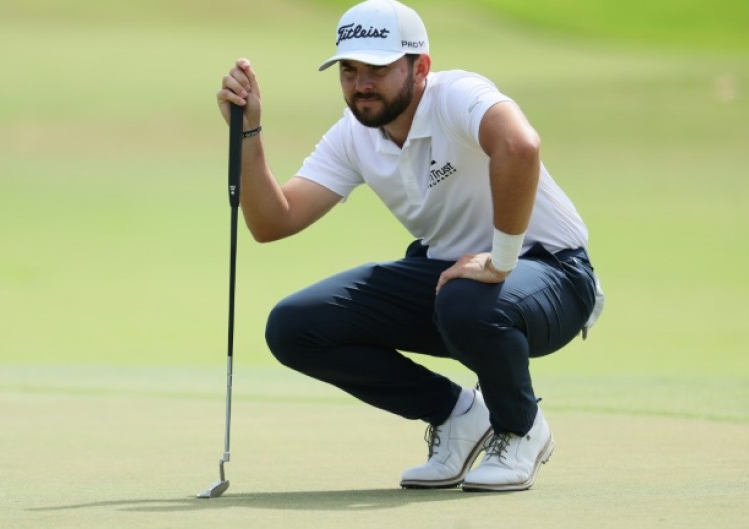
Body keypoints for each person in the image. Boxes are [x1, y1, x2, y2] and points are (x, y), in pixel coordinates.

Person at [216, 0, 603, 492]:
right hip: (452, 284)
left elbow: (520, 146)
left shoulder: (458, 95)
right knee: (295, 327)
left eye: (377, 68)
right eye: (349, 70)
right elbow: (274, 220)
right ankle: (459, 417)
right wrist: (246, 131)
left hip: (555, 275)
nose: (361, 84)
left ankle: (521, 427)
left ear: (420, 67)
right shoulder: (355, 134)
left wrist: (501, 260)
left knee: (465, 300)